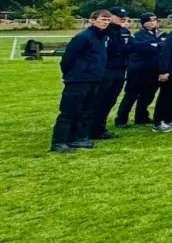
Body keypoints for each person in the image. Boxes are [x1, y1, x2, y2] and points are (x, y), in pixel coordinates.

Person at [50, 10, 110, 152]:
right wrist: (70, 75)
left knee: (86, 110)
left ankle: (78, 138)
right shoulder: (83, 37)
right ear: (93, 20)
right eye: (103, 19)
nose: (106, 22)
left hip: (94, 79)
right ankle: (59, 142)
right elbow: (68, 58)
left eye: (108, 20)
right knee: (69, 111)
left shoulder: (102, 37)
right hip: (78, 79)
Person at [88, 8, 131, 141]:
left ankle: (100, 128)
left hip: (120, 69)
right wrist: (126, 49)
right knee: (98, 100)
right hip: (106, 69)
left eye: (124, 17)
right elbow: (113, 49)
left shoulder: (124, 31)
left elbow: (133, 46)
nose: (123, 19)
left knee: (110, 101)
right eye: (119, 16)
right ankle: (90, 129)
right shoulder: (103, 32)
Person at [116, 13, 163, 128]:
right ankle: (121, 120)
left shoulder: (162, 33)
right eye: (149, 20)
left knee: (148, 95)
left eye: (154, 20)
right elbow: (142, 48)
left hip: (154, 70)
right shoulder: (138, 35)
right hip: (138, 70)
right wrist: (157, 45)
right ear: (143, 22)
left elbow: (165, 45)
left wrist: (155, 45)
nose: (152, 22)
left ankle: (141, 116)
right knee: (131, 95)